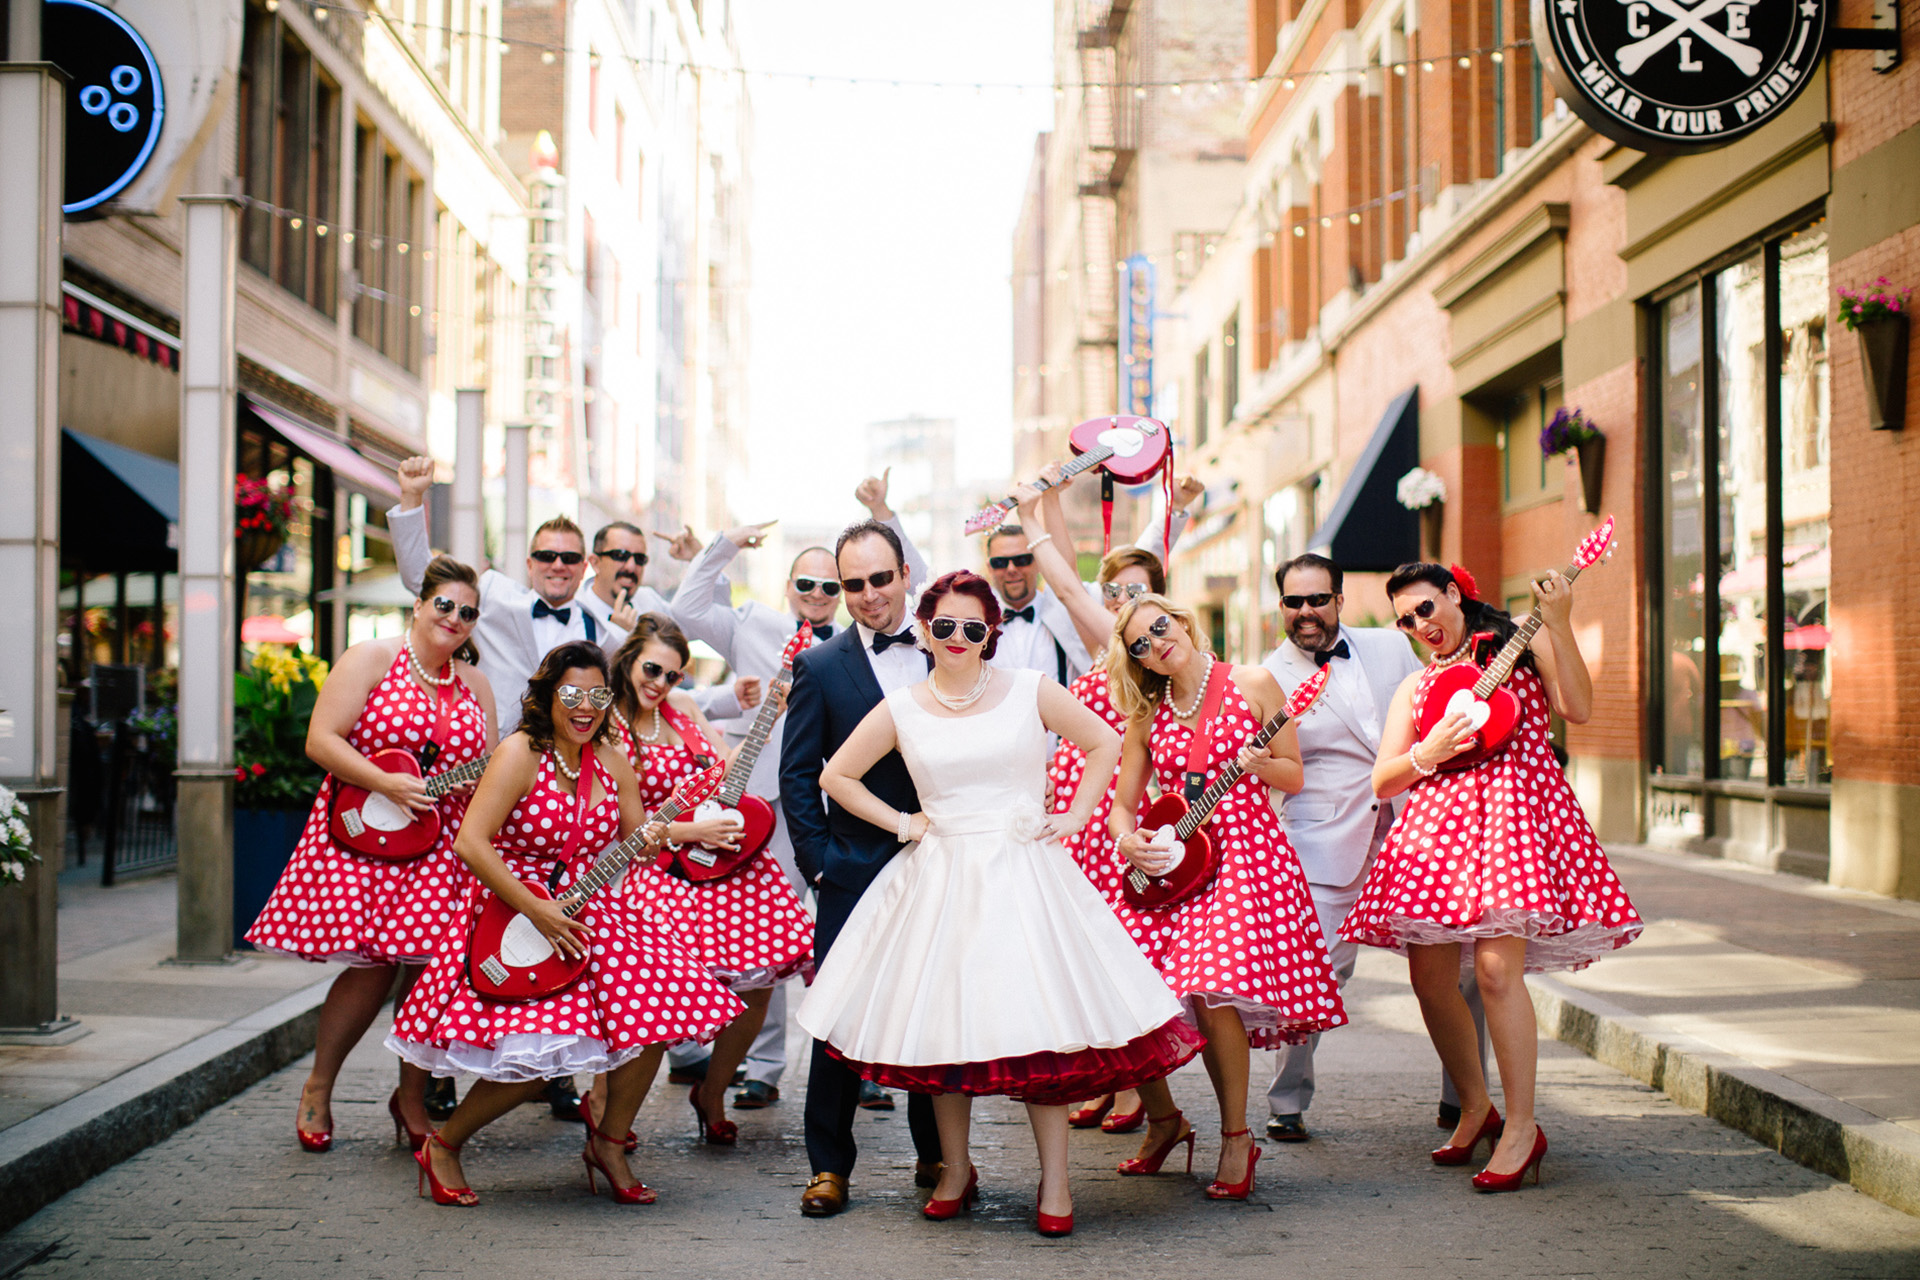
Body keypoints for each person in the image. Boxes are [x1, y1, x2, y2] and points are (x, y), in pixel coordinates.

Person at [799, 571, 1202, 1236]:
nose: (958, 638)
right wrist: (905, 824)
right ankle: (955, 1170)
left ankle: (1056, 1182)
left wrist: (1074, 817)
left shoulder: (1028, 690)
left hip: (1025, 875)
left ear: (992, 633)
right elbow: (834, 776)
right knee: (946, 1038)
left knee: (1043, 1035)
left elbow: (1104, 741)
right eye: (945, 626)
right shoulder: (902, 706)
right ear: (925, 630)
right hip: (940, 879)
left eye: (973, 627)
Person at [386, 641, 744, 1206]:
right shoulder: (520, 752)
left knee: (655, 1022)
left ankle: (607, 1143)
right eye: (572, 694)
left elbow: (635, 841)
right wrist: (538, 909)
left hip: (595, 910)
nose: (585, 707)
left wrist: (669, 827)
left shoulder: (613, 756)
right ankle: (444, 1145)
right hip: (516, 915)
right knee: (533, 1066)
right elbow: (470, 843)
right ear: (548, 693)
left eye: (597, 695)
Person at [1342, 562, 1643, 1191]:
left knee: (1497, 971)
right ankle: (1477, 1107)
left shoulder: (1521, 643)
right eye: (1404, 620)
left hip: (1513, 820)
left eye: (1426, 609)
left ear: (1454, 593)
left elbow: (1579, 709)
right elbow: (1381, 779)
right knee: (1428, 977)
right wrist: (1427, 753)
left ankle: (1523, 1127)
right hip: (1437, 837)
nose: (1418, 626)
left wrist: (1559, 621)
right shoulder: (1415, 687)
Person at [668, 470, 929, 1109]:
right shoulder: (752, 624)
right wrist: (725, 542)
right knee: (769, 937)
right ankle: (764, 1066)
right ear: (791, 588)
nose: (818, 593)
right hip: (760, 805)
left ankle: (868, 1061)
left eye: (827, 585)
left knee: (852, 938)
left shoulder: (878, 641)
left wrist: (880, 510)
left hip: (854, 811)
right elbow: (685, 610)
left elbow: (913, 575)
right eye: (806, 583)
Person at [245, 556, 495, 1153]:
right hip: (367, 839)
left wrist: (475, 784)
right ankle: (318, 1086)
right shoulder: (371, 658)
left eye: (467, 612)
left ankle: (410, 1099)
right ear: (418, 604)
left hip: (441, 848)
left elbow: (487, 768)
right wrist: (385, 783)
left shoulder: (475, 684)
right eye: (445, 605)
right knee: (370, 970)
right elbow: (320, 739)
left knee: (431, 974)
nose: (455, 618)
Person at [1105, 594, 1348, 1201]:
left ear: (1181, 622)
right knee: (1116, 986)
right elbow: (1121, 807)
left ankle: (1237, 1138)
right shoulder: (1148, 713)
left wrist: (1258, 763)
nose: (1157, 642)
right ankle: (1165, 1122)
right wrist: (1128, 842)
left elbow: (1293, 774)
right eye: (1140, 643)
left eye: (1160, 627)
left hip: (1245, 859)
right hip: (1174, 868)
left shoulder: (1254, 682)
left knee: (1214, 993)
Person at [777, 519, 947, 1216]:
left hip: (942, 863)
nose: (870, 596)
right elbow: (797, 777)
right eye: (855, 585)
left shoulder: (951, 646)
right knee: (838, 1017)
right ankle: (828, 1166)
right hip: (853, 867)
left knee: (936, 1010)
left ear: (906, 573)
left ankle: (938, 1154)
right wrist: (820, 864)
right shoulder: (819, 667)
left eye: (881, 579)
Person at [595, 613, 812, 1147]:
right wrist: (692, 828)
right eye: (652, 669)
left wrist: (767, 718)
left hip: (716, 866)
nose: (661, 684)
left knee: (760, 985)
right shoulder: (602, 723)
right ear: (626, 660)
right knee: (649, 999)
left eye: (673, 675)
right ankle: (606, 1107)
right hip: (649, 871)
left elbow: (720, 774)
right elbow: (612, 819)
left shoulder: (685, 709)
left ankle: (712, 1090)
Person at [1010, 479, 1180, 1134]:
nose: (1122, 602)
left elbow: (1066, 582)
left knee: (1115, 960)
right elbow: (1079, 575)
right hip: (1078, 821)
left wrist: (1032, 519)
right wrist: (1051, 495)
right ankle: (1121, 1086)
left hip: (1116, 821)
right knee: (1087, 958)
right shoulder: (1108, 648)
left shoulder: (1148, 651)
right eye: (1117, 592)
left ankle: (1142, 1096)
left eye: (1139, 592)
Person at [1255, 553, 1433, 1144]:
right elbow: (1265, 770)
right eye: (1293, 602)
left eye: (1317, 599)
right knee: (1313, 973)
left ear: (1338, 599)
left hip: (1414, 830)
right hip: (1322, 839)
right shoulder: (1268, 677)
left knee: (1455, 969)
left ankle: (1466, 1100)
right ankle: (1287, 1101)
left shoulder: (1390, 648)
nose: (1306, 612)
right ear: (1281, 606)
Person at [388, 459, 748, 739]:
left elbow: (652, 691)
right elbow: (423, 581)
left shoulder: (604, 631)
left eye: (569, 559)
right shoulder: (494, 594)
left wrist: (728, 698)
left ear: (582, 568)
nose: (558, 565)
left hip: (560, 779)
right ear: (530, 564)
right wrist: (411, 498)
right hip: (483, 757)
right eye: (547, 556)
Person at [979, 474, 1196, 684]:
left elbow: (1137, 564)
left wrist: (1173, 510)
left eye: (1022, 559)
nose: (1011, 569)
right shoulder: (977, 621)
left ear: (1038, 561)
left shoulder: (1068, 607)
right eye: (1000, 563)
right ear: (989, 567)